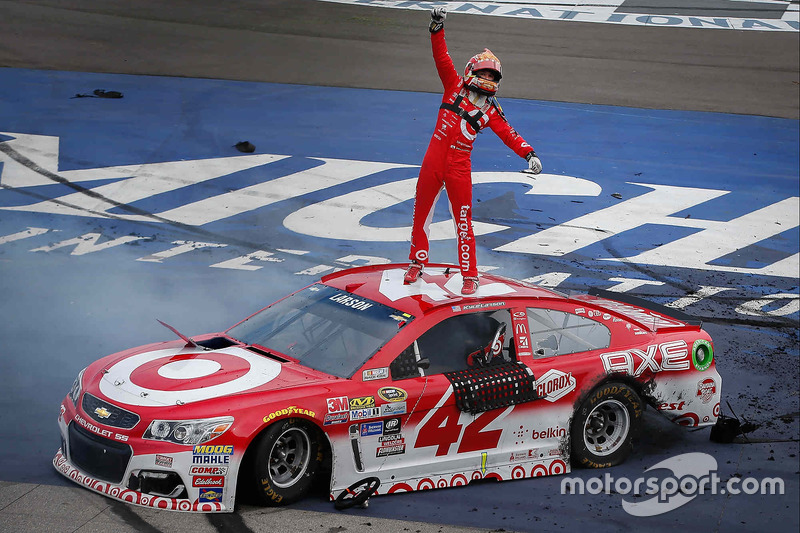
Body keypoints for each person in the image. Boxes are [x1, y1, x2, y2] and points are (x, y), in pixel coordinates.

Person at [405, 7, 542, 295]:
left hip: (458, 169)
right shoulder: (452, 85)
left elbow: (510, 134)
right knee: (421, 215)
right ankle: (417, 262)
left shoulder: (492, 110)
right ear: (471, 71)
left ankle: (471, 275)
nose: (488, 78)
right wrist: (436, 26)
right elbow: (441, 57)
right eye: (484, 73)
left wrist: (528, 153)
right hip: (432, 162)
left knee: (463, 224)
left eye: (492, 75)